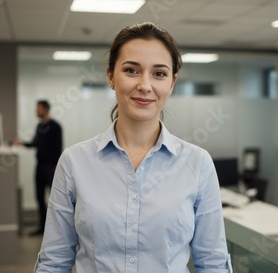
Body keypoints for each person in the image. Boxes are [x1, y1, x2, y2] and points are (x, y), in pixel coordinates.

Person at [33, 22, 231, 272]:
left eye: (159, 73)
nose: (145, 85)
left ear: (172, 83)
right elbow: (54, 262)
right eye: (131, 70)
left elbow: (213, 264)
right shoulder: (74, 162)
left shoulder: (198, 164)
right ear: (111, 77)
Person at [15, 100, 63, 236]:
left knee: (55, 199)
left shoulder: (55, 127)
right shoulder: (39, 126)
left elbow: (58, 147)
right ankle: (42, 227)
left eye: (38, 108)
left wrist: (56, 167)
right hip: (40, 166)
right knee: (39, 197)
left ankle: (58, 230)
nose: (36, 111)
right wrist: (22, 143)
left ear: (45, 109)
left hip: (50, 167)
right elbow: (34, 143)